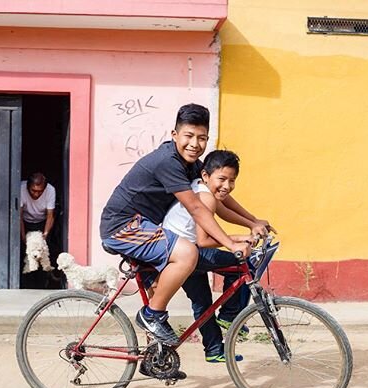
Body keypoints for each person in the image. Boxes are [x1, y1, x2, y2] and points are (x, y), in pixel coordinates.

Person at [100, 103, 270, 349]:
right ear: (174, 135)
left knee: (162, 283)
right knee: (187, 252)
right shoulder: (168, 162)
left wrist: (252, 220)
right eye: (188, 136)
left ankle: (155, 357)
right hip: (124, 227)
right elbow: (197, 208)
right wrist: (230, 243)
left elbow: (217, 194)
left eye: (201, 138)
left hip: (145, 226)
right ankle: (152, 315)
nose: (195, 144)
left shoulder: (192, 164)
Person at [162, 150, 256, 363]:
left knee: (202, 303)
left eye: (232, 181)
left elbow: (223, 211)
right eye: (222, 179)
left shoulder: (202, 189)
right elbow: (203, 241)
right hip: (186, 251)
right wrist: (239, 239)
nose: (227, 186)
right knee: (243, 263)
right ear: (206, 176)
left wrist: (252, 223)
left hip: (178, 251)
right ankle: (230, 316)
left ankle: (214, 349)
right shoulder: (205, 197)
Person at [20, 172, 55, 243]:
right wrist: (23, 237)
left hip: (42, 222)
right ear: (27, 187)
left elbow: (50, 216)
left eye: (40, 191)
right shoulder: (21, 188)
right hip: (25, 221)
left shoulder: (50, 190)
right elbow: (19, 216)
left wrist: (45, 235)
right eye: (33, 191)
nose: (36, 194)